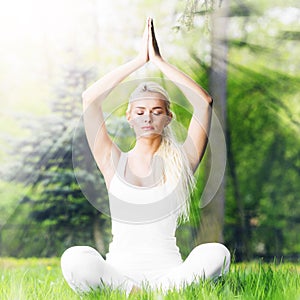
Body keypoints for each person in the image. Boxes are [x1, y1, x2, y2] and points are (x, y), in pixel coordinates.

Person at [61, 17, 230, 295]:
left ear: (168, 117)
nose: (148, 118)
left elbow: (204, 103)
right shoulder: (113, 162)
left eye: (156, 111)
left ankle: (161, 290)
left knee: (217, 253)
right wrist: (140, 60)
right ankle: (134, 291)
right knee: (74, 258)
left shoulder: (181, 161)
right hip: (118, 272)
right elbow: (89, 99)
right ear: (129, 117)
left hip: (170, 272)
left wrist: (160, 62)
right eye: (140, 112)